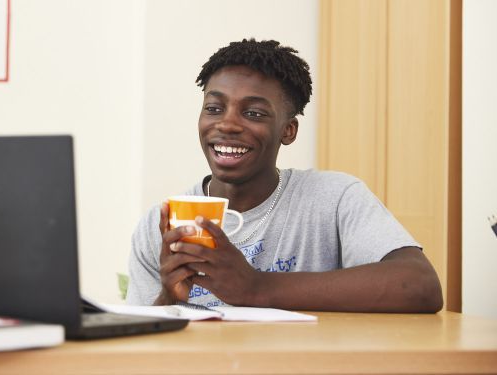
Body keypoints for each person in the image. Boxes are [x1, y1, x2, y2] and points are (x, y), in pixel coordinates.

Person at [126, 38, 443, 313]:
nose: (227, 124)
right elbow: (140, 353)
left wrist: (256, 287)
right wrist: (169, 297)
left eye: (253, 113)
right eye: (214, 108)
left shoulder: (333, 199)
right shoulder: (159, 226)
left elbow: (419, 285)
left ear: (288, 130)